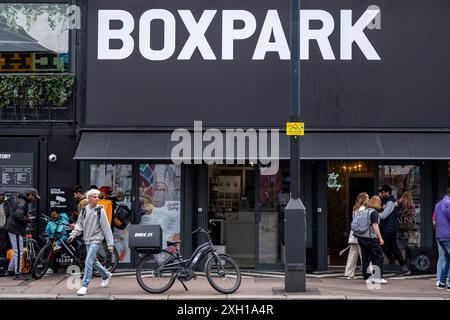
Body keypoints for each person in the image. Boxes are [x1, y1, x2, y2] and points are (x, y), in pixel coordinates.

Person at [68, 189, 114, 296]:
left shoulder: (100, 210)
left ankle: (84, 285)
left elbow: (106, 228)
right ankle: (106, 274)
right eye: (94, 196)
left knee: (88, 261)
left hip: (96, 240)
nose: (97, 198)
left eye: (98, 196)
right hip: (87, 239)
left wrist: (110, 244)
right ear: (88, 198)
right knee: (93, 261)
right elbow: (79, 225)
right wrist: (73, 235)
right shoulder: (84, 210)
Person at [6, 188, 40, 280]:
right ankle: (18, 274)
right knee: (19, 251)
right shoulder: (22, 202)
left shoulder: (21, 200)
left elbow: (17, 214)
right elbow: (18, 215)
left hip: (13, 227)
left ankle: (9, 270)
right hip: (15, 229)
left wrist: (26, 216)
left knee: (17, 250)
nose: (34, 199)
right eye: (34, 197)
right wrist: (29, 219)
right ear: (30, 195)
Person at [379, 185, 411, 276]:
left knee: (378, 247)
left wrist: (373, 213)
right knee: (394, 248)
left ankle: (376, 269)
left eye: (382, 192)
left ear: (387, 193)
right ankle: (404, 267)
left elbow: (383, 215)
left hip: (387, 229)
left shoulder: (390, 203)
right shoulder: (389, 202)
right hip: (390, 229)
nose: (381, 194)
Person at [356, 195, 387, 284]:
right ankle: (378, 278)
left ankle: (367, 276)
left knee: (366, 257)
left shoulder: (364, 211)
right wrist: (380, 238)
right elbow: (375, 226)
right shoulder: (374, 213)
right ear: (377, 203)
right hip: (370, 238)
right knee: (379, 256)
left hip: (361, 237)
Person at [344, 192, 368, 279]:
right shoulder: (363, 208)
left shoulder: (355, 208)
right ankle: (367, 273)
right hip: (360, 235)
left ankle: (349, 273)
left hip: (353, 234)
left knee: (352, 255)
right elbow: (362, 222)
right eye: (367, 198)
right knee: (364, 255)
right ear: (364, 199)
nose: (368, 200)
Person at [434, 189, 450, 291]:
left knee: (447, 259)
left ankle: (442, 282)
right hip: (448, 235)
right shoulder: (449, 203)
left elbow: (435, 220)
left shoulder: (438, 204)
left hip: (439, 236)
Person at [0, 190, 12, 276]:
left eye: (2, 195)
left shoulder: (7, 204)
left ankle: (5, 267)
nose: (1, 197)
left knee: (5, 247)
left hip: (5, 229)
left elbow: (11, 215)